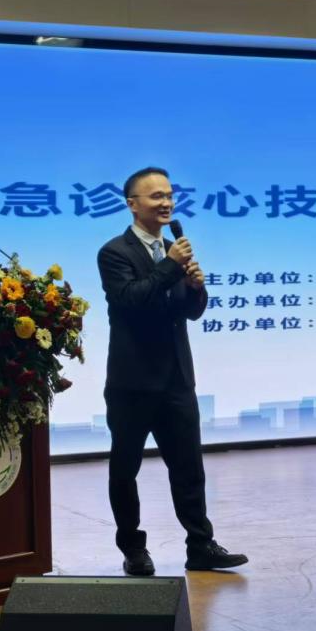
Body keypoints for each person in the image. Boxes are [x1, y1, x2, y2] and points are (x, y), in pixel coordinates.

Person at [97, 166, 248, 575]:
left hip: (177, 379)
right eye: (156, 196)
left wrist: (197, 289)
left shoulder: (173, 250)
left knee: (189, 468)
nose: (166, 203)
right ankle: (133, 549)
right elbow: (131, 300)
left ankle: (200, 546)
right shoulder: (114, 252)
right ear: (133, 205)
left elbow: (187, 312)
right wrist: (171, 266)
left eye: (169, 195)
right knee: (125, 469)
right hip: (132, 383)